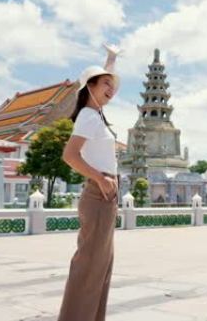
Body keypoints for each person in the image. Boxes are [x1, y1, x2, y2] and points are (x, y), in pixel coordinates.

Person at [58, 48, 120, 321]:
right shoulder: (87, 116)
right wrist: (100, 178)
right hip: (98, 194)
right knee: (88, 267)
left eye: (112, 84)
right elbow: (69, 156)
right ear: (90, 87)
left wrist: (111, 62)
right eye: (105, 83)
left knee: (101, 267)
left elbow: (103, 79)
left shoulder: (96, 117)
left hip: (107, 195)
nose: (111, 88)